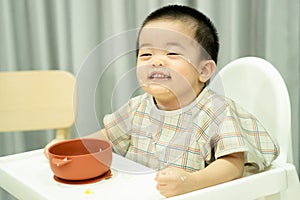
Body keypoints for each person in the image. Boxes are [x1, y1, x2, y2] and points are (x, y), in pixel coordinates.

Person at [45, 5, 279, 198]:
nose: (156, 61)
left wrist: (191, 181)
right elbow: (107, 137)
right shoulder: (138, 108)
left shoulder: (216, 112)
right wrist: (70, 150)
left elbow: (233, 164)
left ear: (204, 70)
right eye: (146, 54)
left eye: (172, 53)